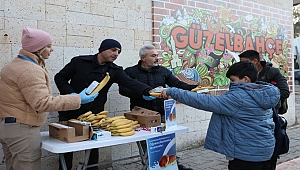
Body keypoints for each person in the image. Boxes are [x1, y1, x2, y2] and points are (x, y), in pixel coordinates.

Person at [0, 27, 98, 170]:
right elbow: (42, 103)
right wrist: (77, 99)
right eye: (49, 46)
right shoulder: (29, 70)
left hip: (9, 127)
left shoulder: (14, 65)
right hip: (23, 129)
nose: (51, 50)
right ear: (38, 49)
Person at [160, 61, 280, 170]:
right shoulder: (262, 93)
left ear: (246, 79)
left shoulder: (238, 98)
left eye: (233, 80)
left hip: (247, 155)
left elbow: (203, 101)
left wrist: (172, 91)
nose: (230, 84)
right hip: (265, 150)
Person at [54, 39, 154, 170]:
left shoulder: (114, 70)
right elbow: (59, 78)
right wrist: (73, 95)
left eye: (118, 52)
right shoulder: (79, 61)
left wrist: (149, 90)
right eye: (113, 50)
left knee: (93, 146)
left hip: (93, 114)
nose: (116, 54)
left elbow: (130, 82)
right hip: (70, 110)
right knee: (66, 146)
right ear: (102, 49)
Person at [119, 45, 197, 170]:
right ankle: (151, 165)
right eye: (153, 56)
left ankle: (173, 164)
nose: (157, 58)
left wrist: (193, 88)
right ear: (143, 58)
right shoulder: (130, 72)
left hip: (161, 113)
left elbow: (176, 84)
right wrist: (142, 94)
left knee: (166, 141)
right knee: (148, 144)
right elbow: (123, 90)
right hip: (141, 115)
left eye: (157, 55)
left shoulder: (163, 71)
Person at [238, 50, 290, 170]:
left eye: (244, 62)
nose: (241, 66)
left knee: (270, 155)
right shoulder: (244, 73)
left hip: (270, 118)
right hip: (249, 119)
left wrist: (264, 100)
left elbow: (284, 92)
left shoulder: (273, 72)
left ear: (255, 61)